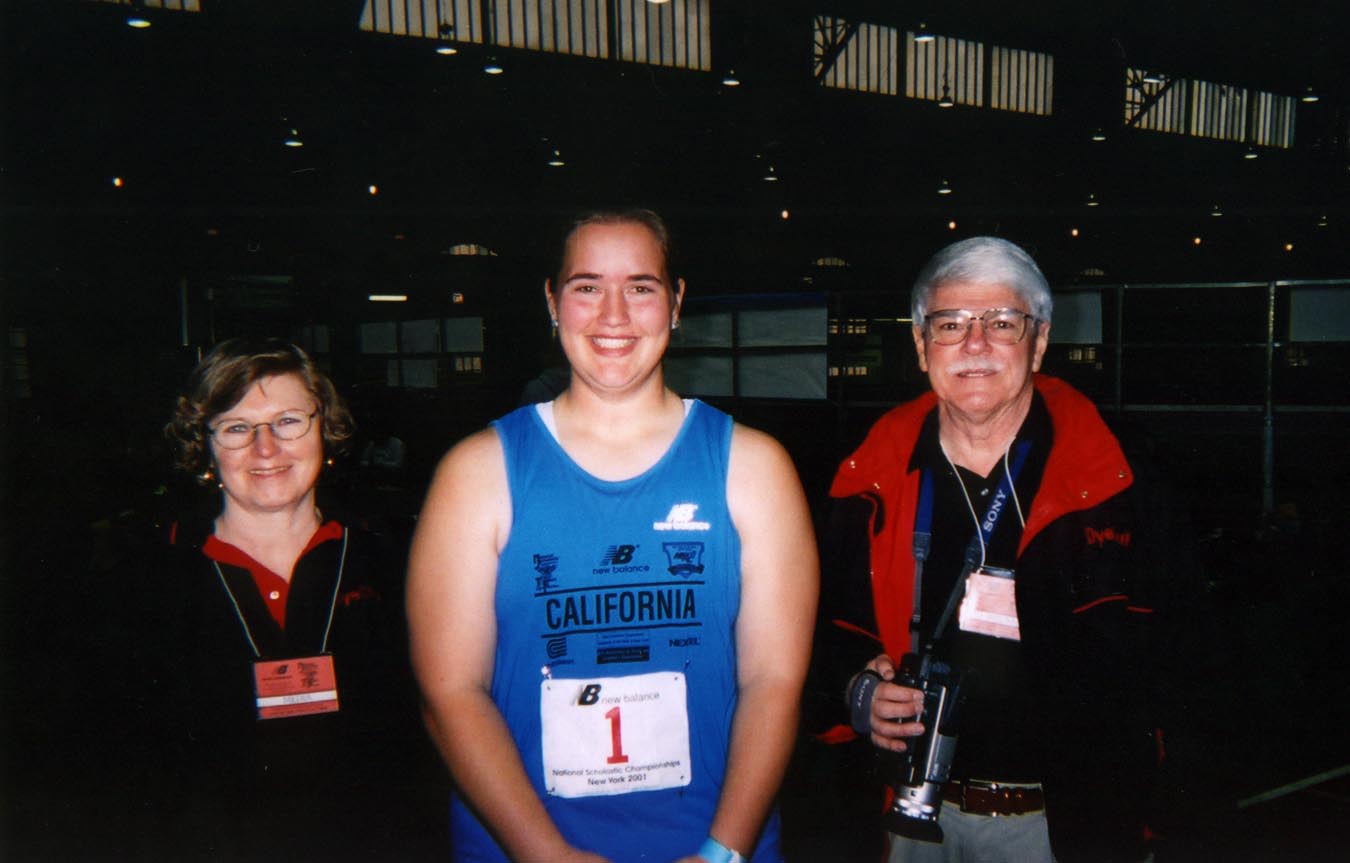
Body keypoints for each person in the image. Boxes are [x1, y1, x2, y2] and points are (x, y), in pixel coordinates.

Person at [407, 209, 819, 863]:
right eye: (587, 285)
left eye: (642, 286)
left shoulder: (754, 467)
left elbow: (773, 680)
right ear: (552, 300)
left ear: (677, 302)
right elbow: (450, 691)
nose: (614, 315)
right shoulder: (476, 473)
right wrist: (548, 855)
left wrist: (723, 851)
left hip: (708, 845)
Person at [817, 237, 1200, 863]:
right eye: (950, 325)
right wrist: (857, 692)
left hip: (1064, 825)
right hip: (910, 819)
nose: (975, 345)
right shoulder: (866, 482)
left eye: (1001, 322)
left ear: (1039, 342)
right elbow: (820, 635)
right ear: (920, 346)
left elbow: (1186, 657)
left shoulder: (1120, 482)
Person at [106, 337, 438, 860]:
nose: (266, 448)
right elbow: (127, 775)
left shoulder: (394, 560)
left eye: (287, 421)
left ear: (323, 426)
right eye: (237, 428)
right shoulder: (145, 580)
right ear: (205, 444)